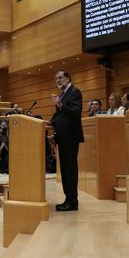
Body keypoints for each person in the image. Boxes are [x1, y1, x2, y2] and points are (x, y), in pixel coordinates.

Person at [50, 70, 83, 211]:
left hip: (70, 137)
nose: (58, 80)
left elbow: (75, 112)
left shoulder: (75, 92)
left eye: (60, 78)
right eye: (56, 78)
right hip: (63, 137)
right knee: (65, 170)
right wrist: (50, 123)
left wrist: (60, 104)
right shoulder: (62, 94)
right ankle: (68, 199)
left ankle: (72, 201)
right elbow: (59, 116)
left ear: (68, 78)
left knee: (70, 170)